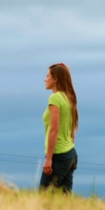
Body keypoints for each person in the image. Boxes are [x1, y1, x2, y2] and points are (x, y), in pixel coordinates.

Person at [40, 62, 78, 192]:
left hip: (59, 156)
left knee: (44, 197)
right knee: (64, 200)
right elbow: (72, 129)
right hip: (70, 154)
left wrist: (49, 159)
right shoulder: (69, 97)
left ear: (55, 79)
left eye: (47, 76)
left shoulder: (55, 98)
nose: (45, 79)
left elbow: (54, 130)